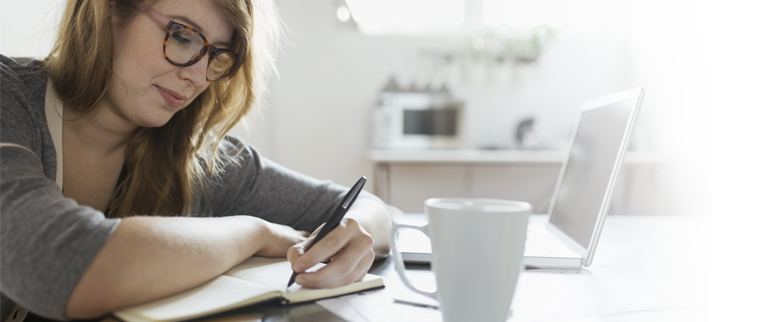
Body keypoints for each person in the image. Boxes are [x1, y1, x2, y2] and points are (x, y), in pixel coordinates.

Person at [0, 0, 392, 321]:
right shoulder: (10, 102)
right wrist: (256, 232)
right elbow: (60, 264)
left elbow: (365, 207)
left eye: (218, 56)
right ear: (108, 13)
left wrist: (358, 238)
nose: (200, 76)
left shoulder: (196, 158)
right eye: (184, 36)